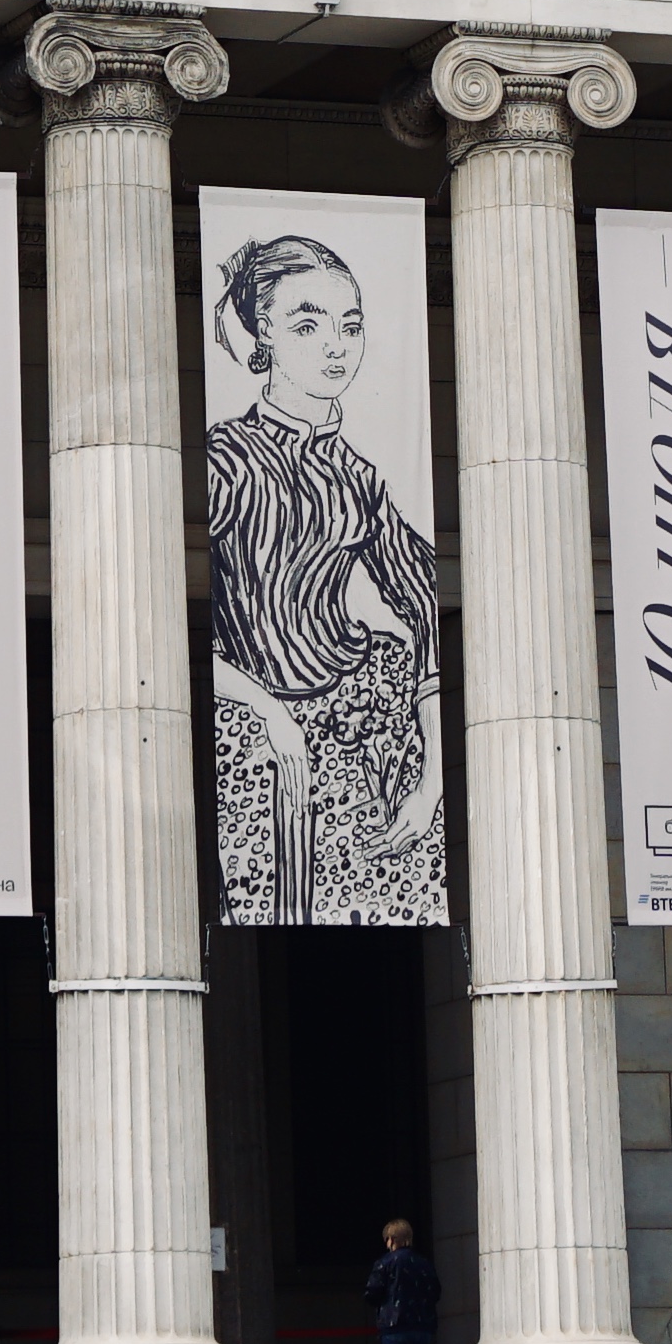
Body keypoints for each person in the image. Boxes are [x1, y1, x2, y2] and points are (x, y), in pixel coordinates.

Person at [201, 234, 445, 925]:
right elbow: (164, 620)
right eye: (308, 325)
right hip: (255, 727)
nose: (336, 347)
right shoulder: (225, 461)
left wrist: (431, 779)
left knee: (395, 908)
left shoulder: (359, 477)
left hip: (371, 721)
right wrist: (268, 710)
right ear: (264, 337)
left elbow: (425, 601)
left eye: (351, 326)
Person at [366, 1217, 440, 1344]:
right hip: (422, 1328)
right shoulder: (424, 1263)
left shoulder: (386, 1263)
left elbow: (372, 1293)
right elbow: (436, 1292)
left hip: (394, 1328)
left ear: (391, 1239)